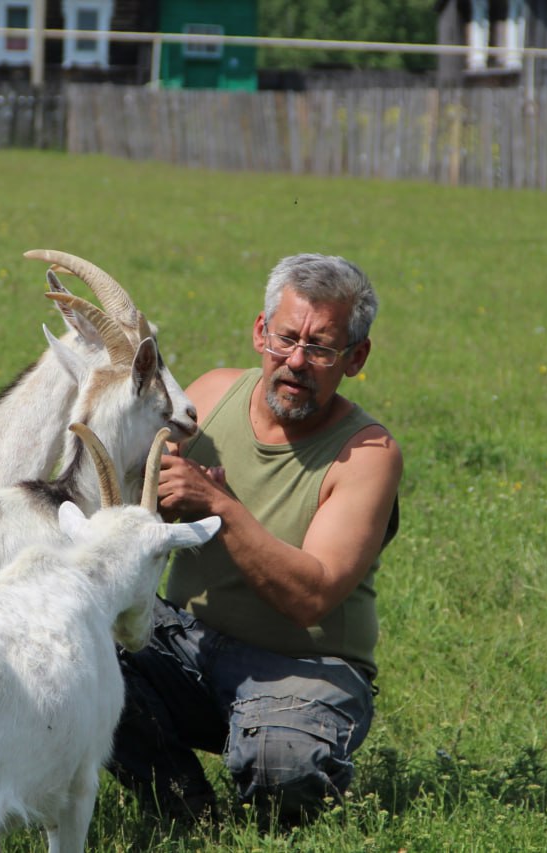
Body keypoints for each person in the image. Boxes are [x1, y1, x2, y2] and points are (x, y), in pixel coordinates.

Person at [108, 253, 402, 826]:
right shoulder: (212, 395)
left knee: (282, 768)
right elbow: (135, 498)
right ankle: (184, 811)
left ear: (356, 358)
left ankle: (284, 759)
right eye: (286, 339)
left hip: (307, 664)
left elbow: (310, 597)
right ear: (260, 332)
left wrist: (219, 506)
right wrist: (159, 498)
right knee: (83, 645)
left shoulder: (367, 455)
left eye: (321, 348)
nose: (296, 362)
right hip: (186, 643)